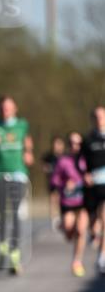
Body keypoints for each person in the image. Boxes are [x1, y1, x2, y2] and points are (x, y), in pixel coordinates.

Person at [0, 96, 34, 275]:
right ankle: (3, 246)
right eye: (2, 108)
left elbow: (27, 141)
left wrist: (28, 153)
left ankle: (15, 254)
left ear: (15, 108)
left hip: (18, 175)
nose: (5, 110)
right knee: (3, 214)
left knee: (16, 213)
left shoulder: (22, 125)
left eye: (8, 107)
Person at [50, 134, 89, 276]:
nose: (75, 146)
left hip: (84, 201)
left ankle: (77, 261)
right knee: (68, 231)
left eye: (78, 143)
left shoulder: (86, 160)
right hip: (68, 201)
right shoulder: (63, 161)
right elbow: (54, 180)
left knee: (81, 230)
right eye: (72, 143)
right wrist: (64, 185)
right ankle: (65, 228)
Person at [80, 105, 105, 274]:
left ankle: (102, 256)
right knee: (94, 219)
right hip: (92, 185)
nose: (99, 119)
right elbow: (79, 162)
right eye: (96, 116)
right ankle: (94, 233)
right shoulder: (88, 140)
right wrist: (84, 174)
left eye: (102, 116)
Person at [42, 135, 66, 230]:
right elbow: (44, 167)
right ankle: (54, 219)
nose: (57, 146)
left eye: (59, 144)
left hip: (63, 182)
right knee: (53, 199)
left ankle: (62, 217)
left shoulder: (65, 156)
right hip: (53, 181)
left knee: (62, 200)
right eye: (56, 144)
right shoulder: (49, 156)